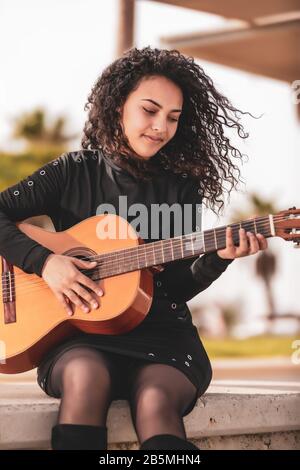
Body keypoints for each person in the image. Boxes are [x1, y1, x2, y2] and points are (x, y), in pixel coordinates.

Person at [0, 46, 267, 450]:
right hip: (80, 334)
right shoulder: (75, 171)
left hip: (162, 336)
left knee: (156, 402)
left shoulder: (181, 188)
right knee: (84, 378)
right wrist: (46, 262)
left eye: (173, 118)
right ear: (118, 106)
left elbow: (175, 287)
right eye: (150, 110)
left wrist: (217, 260)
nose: (161, 126)